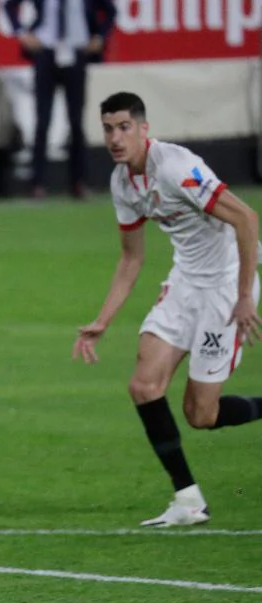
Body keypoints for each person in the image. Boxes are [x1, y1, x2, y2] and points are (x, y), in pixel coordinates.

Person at [72, 92, 262, 527]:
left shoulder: (176, 168)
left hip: (225, 287)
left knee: (202, 415)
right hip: (184, 284)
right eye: (108, 128)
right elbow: (131, 259)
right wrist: (103, 320)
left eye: (124, 127)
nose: (116, 138)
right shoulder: (123, 183)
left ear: (143, 129)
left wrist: (244, 295)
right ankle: (188, 501)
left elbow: (247, 220)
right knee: (143, 386)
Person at [4, 0, 117, 199]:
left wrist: (99, 36)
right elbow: (9, 5)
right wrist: (22, 33)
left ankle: (78, 182)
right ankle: (38, 183)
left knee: (76, 121)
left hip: (76, 53)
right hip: (46, 52)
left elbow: (110, 11)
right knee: (42, 120)